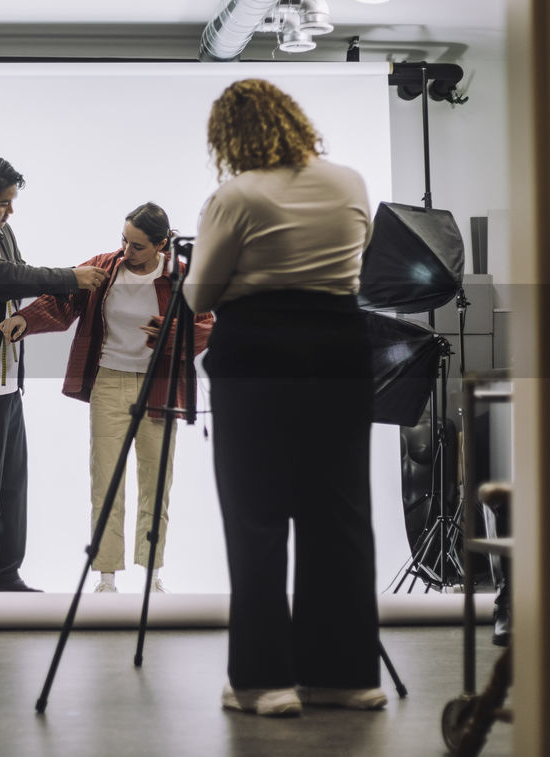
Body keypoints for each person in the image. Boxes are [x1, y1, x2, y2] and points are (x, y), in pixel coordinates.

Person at [183, 79, 385, 717]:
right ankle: (347, 677)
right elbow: (357, 266)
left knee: (258, 519)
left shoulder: (235, 195)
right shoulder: (350, 183)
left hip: (259, 358)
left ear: (229, 137)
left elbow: (200, 296)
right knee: (341, 517)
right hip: (343, 351)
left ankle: (263, 683)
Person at [0, 203, 212, 594]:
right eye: (124, 241)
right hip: (109, 383)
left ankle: (152, 576)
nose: (126, 251)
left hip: (158, 386)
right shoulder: (105, 268)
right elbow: (62, 301)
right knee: (106, 481)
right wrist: (25, 320)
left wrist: (167, 329)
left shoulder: (181, 276)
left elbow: (205, 327)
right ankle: (106, 577)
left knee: (156, 481)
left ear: (162, 245)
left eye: (137, 246)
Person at [0, 153, 108, 592]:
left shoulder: (0, 230)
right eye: (3, 203)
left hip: (6, 382)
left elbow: (18, 274)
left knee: (11, 486)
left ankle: (7, 573)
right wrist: (70, 278)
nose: (11, 212)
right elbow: (4, 278)